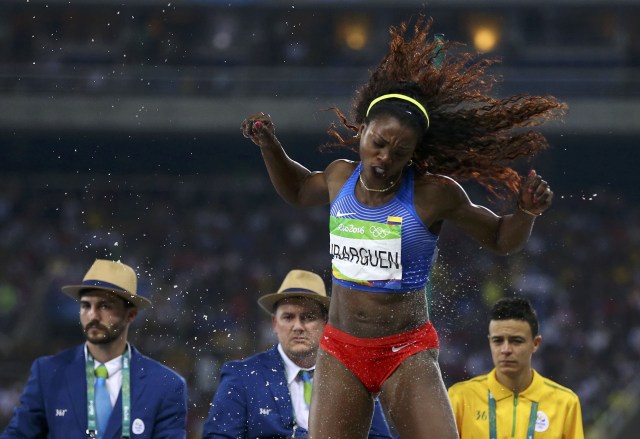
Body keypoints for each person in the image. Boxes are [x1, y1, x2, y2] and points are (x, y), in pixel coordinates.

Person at [240, 14, 565, 439]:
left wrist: (526, 213)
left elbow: (503, 239)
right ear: (361, 132)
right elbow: (299, 190)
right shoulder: (340, 177)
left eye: (399, 152)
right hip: (342, 348)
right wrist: (270, 146)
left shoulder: (433, 194)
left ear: (413, 154)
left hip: (404, 351)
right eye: (377, 143)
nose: (383, 158)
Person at [1, 259, 187, 439]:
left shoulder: (166, 386)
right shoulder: (48, 373)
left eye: (105, 306)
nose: (93, 315)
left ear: (130, 315)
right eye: (85, 305)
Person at [202, 269, 392, 438]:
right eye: (288, 317)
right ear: (274, 324)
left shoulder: (352, 380)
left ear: (327, 324)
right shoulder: (242, 376)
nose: (298, 327)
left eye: (308, 317)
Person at [448, 297, 584, 438]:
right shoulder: (460, 398)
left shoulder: (565, 404)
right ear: (490, 342)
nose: (505, 349)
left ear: (535, 343)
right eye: (498, 341)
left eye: (516, 341)